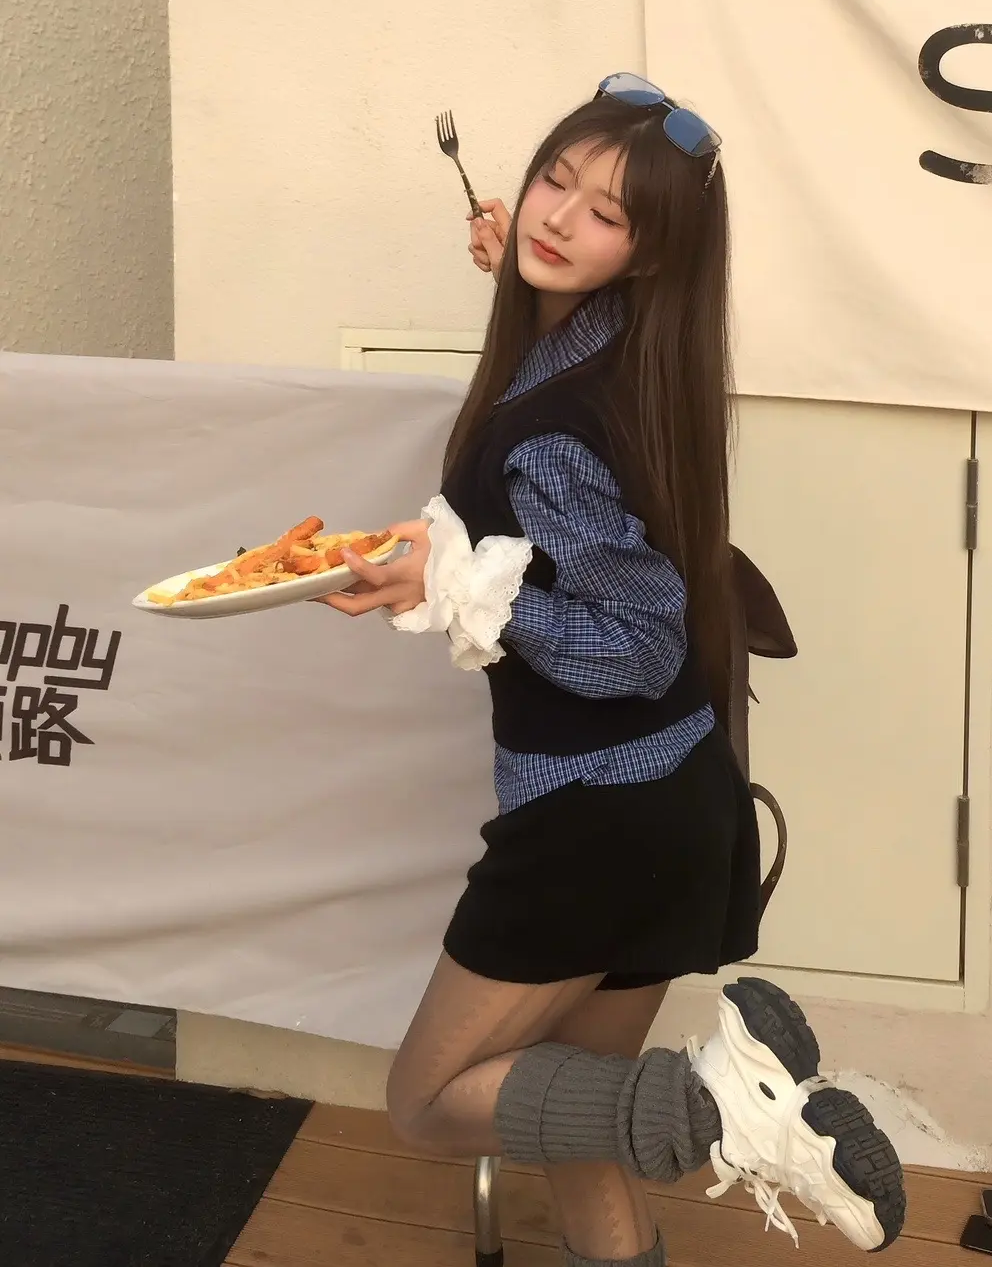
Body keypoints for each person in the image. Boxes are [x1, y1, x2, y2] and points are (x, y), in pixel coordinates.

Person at [323, 75, 906, 1264]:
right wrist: (520, 265)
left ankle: (724, 1104)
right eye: (555, 181)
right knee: (576, 1120)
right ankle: (707, 1111)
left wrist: (450, 581)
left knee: (428, 1101)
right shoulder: (628, 351)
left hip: (598, 821)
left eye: (607, 215)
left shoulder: (552, 434)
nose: (558, 218)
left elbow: (638, 646)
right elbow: (556, 296)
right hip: (672, 802)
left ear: (648, 256)